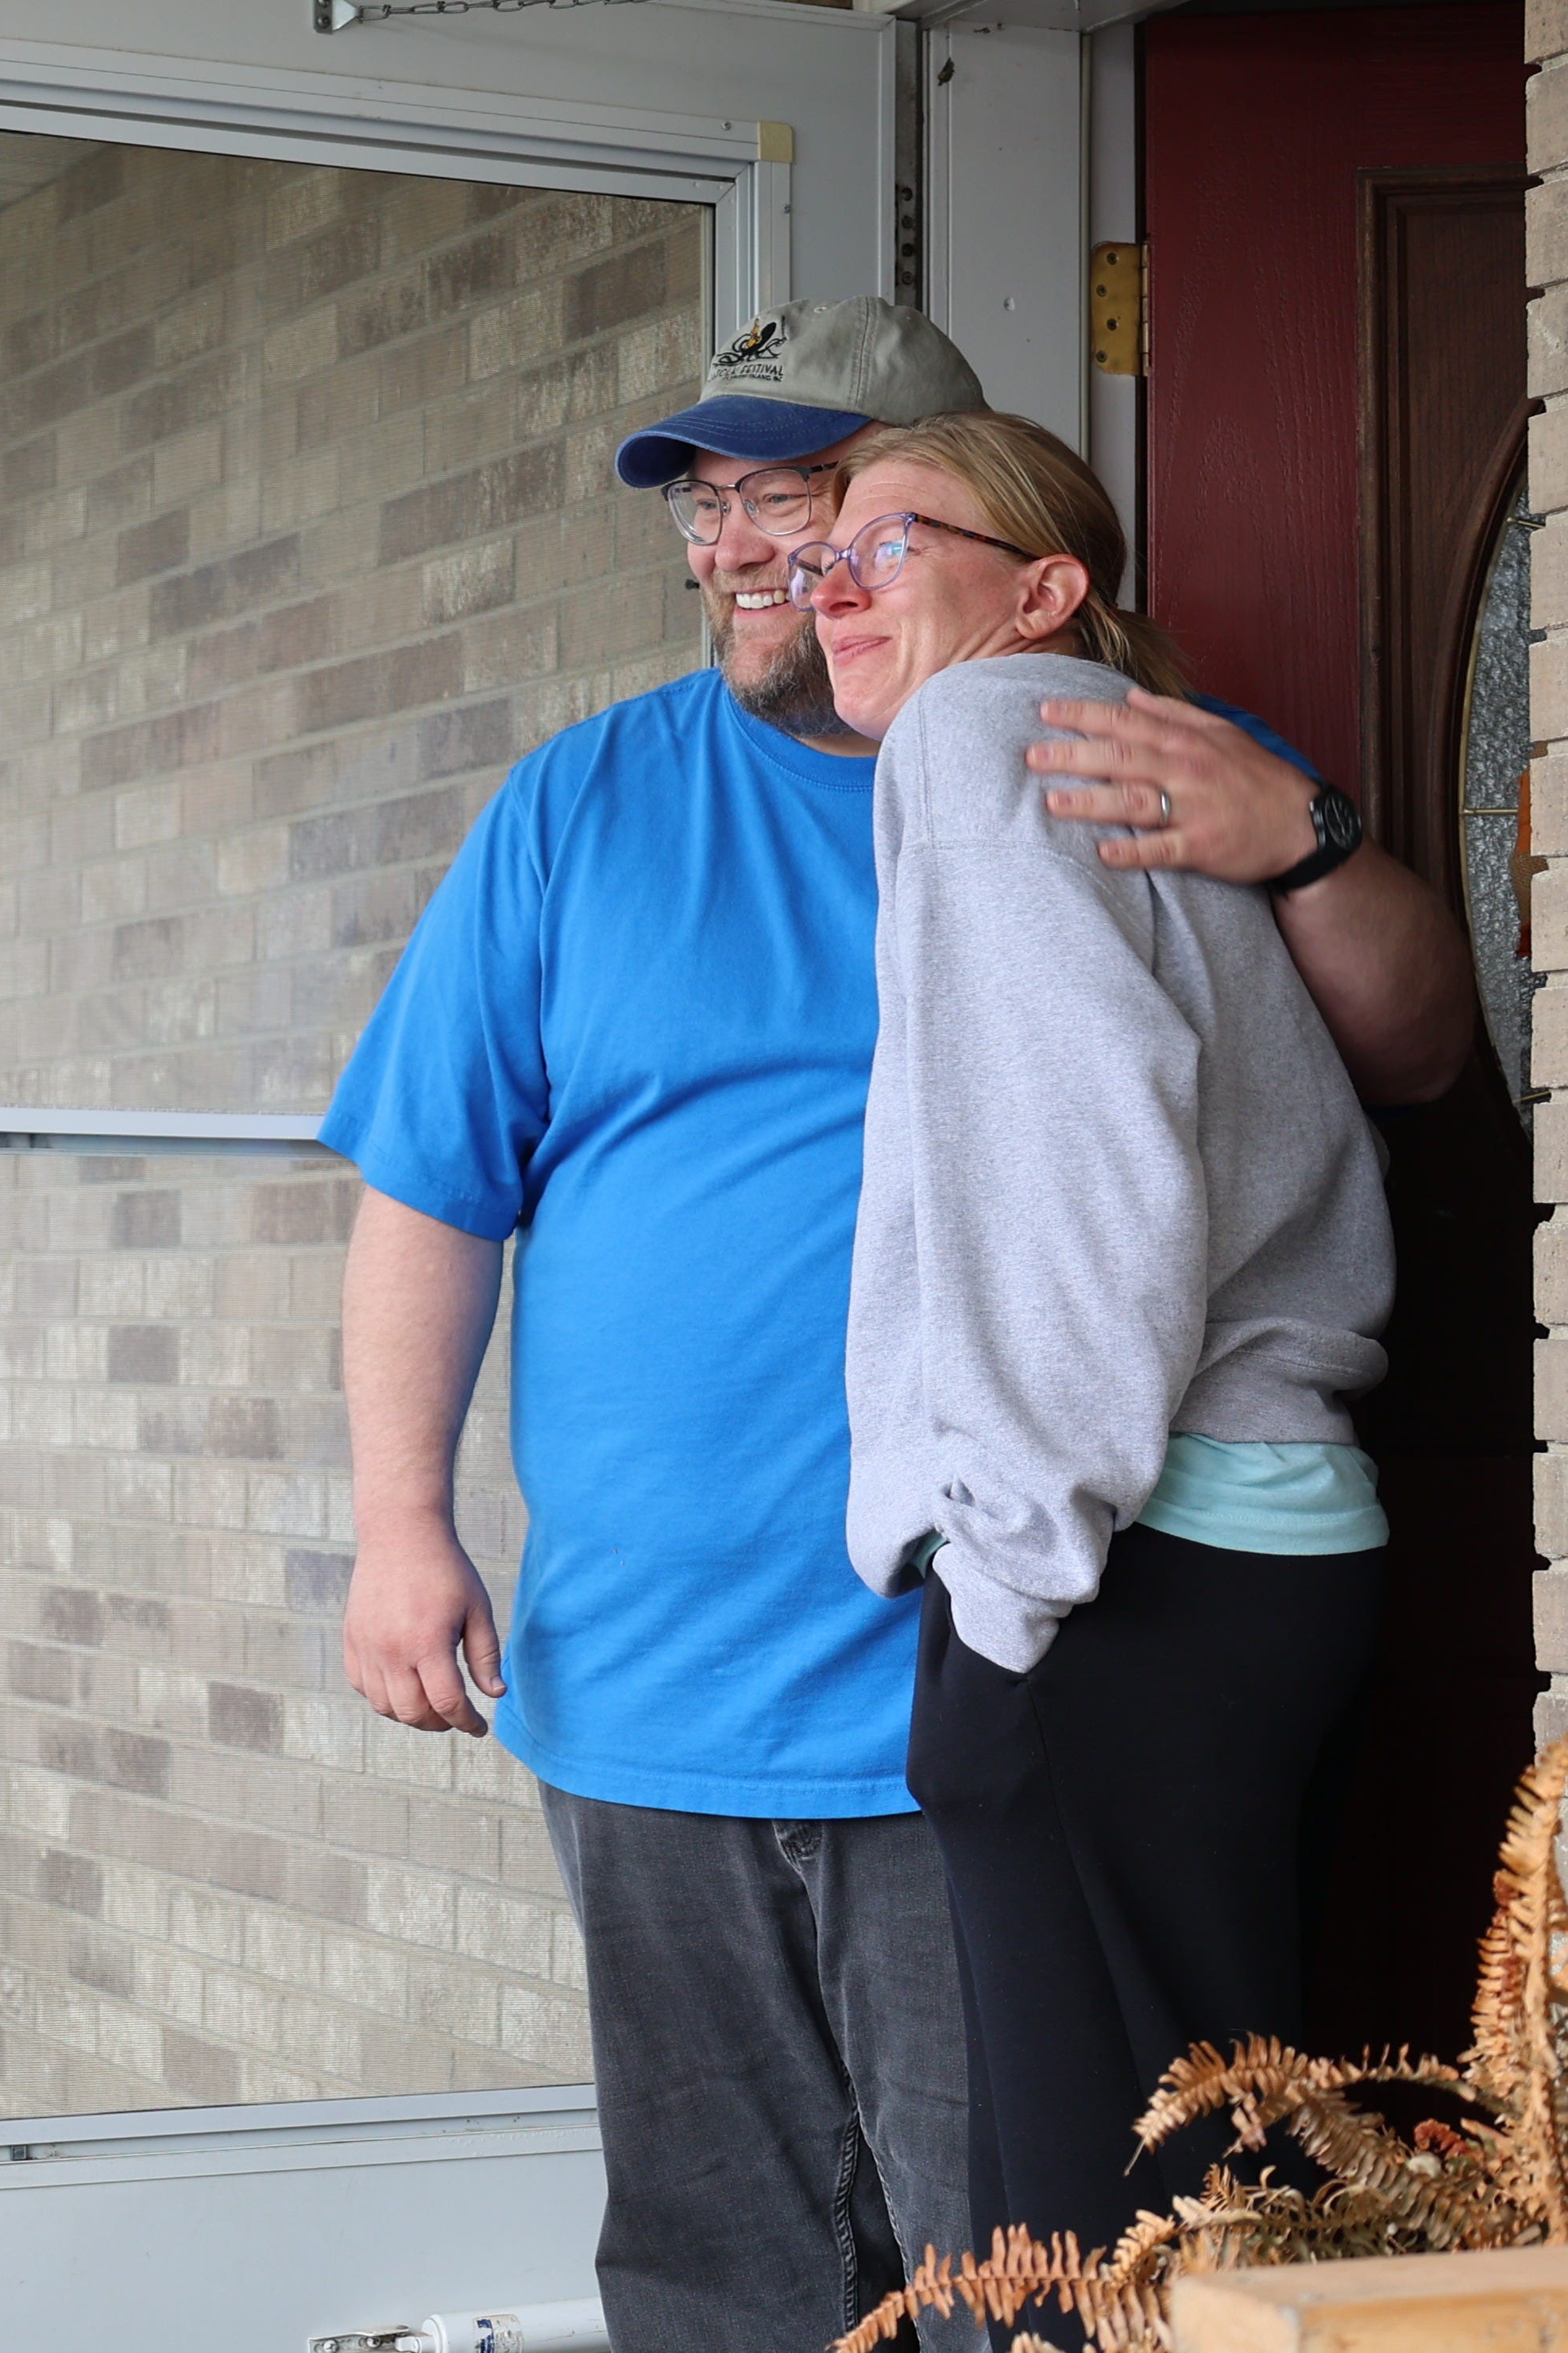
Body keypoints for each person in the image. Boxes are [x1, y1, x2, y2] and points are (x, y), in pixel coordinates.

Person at [323, 297, 1473, 2352]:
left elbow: (1413, 1047)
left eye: (803, 495)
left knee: (1026, 2274)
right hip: (651, 1681)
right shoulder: (583, 805)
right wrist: (399, 1520)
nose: (750, 549)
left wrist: (1300, 831)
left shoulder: (1098, 742)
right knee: (722, 2275)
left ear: (970, 516)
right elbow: (432, 1180)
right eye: (710, 508)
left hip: (1003, 1642)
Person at [809, 412, 1393, 2265]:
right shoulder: (1129, 757)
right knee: (1213, 2211)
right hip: (1252, 1550)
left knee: (1105, 2259)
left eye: (889, 543)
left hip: (1126, 1568)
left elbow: (1073, 1156)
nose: (831, 584)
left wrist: (1009, 1572)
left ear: (1042, 588)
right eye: (820, 555)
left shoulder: (986, 729)